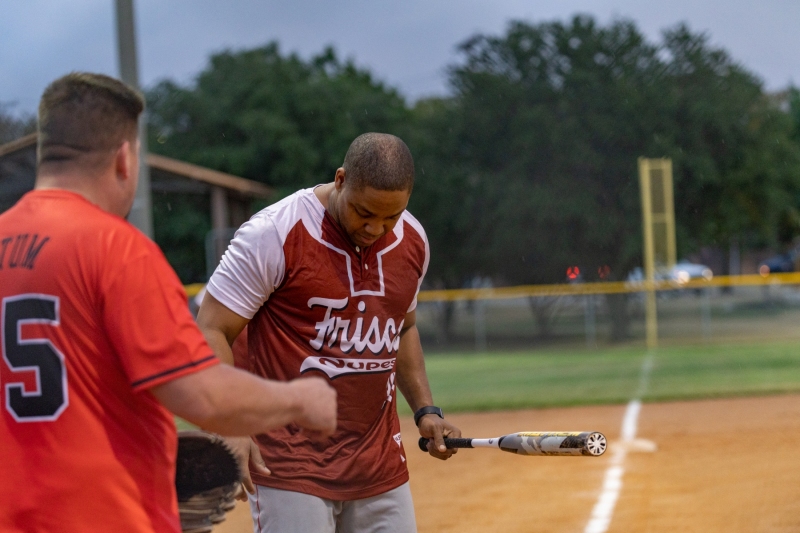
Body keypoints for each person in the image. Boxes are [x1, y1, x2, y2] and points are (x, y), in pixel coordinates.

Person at [0, 72, 337, 533]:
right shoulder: (115, 248)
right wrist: (301, 398)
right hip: (103, 518)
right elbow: (201, 394)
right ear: (124, 157)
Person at [197, 132, 461, 533]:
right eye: (364, 212)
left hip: (377, 463)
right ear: (340, 179)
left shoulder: (413, 241)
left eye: (391, 216)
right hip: (289, 461)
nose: (376, 228)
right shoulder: (274, 232)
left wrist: (425, 410)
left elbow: (402, 328)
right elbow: (211, 328)